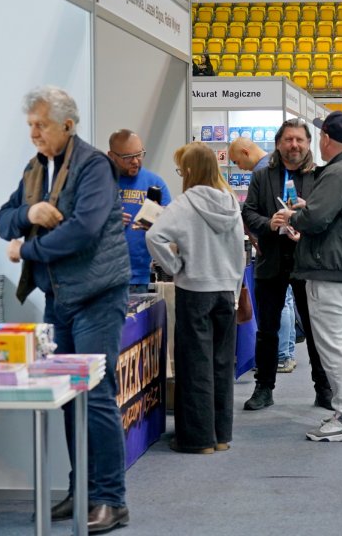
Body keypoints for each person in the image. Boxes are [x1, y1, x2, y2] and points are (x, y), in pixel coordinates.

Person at [0, 85, 130, 532]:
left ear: (67, 126)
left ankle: (110, 498)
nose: (33, 133)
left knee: (97, 395)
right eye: (30, 125)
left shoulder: (94, 167)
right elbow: (3, 219)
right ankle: (82, 491)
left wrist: (25, 252)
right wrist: (29, 214)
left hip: (98, 297)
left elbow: (82, 232)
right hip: (60, 300)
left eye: (42, 125)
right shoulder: (36, 169)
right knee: (70, 398)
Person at [273, 111, 342, 442]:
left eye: (319, 135)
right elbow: (333, 216)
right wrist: (308, 210)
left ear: (327, 138)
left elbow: (316, 220)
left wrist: (295, 215)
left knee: (334, 346)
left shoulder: (337, 173)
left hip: (330, 270)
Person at [146, 143, 244, 453]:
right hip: (225, 291)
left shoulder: (184, 203)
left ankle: (198, 438)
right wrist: (235, 287)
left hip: (194, 290)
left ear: (189, 171)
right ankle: (220, 435)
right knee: (221, 363)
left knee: (194, 364)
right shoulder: (230, 202)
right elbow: (239, 252)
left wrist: (175, 266)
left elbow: (153, 236)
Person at [241, 118, 332, 411]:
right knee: (266, 330)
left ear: (308, 144)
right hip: (270, 260)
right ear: (279, 143)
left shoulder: (320, 176)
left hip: (307, 261)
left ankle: (324, 388)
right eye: (289, 139)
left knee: (316, 328)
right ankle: (263, 388)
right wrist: (269, 223)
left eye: (300, 140)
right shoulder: (261, 176)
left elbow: (328, 217)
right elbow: (249, 212)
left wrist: (305, 224)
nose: (294, 145)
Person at [107, 129, 172, 292]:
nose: (135, 161)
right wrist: (107, 221)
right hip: (104, 277)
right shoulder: (100, 183)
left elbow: (171, 228)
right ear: (112, 156)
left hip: (140, 275)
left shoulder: (155, 182)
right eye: (128, 157)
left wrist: (161, 222)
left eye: (139, 154)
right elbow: (83, 224)